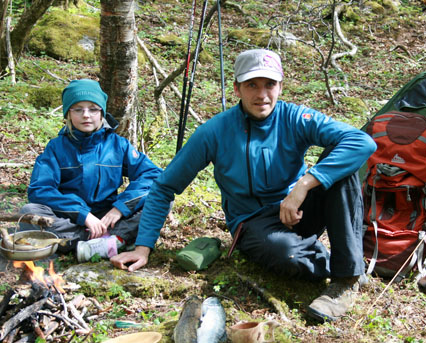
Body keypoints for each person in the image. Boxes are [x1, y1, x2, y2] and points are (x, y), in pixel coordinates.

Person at [111, 49, 375, 322]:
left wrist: (304, 185)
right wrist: (143, 246)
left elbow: (362, 142)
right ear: (237, 88)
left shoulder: (295, 118)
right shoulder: (214, 132)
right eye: (252, 85)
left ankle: (346, 280)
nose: (262, 95)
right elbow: (164, 186)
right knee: (287, 253)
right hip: (253, 223)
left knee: (342, 168)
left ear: (280, 86)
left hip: (295, 208)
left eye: (270, 84)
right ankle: (335, 259)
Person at [19, 79, 162, 262]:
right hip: (71, 219)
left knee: (160, 199)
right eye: (78, 109)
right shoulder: (56, 148)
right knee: (28, 212)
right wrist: (82, 214)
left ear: (102, 112)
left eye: (93, 109)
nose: (86, 115)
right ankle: (102, 242)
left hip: (109, 217)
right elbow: (40, 190)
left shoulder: (118, 145)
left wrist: (120, 208)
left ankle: (110, 239)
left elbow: (152, 175)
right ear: (68, 114)